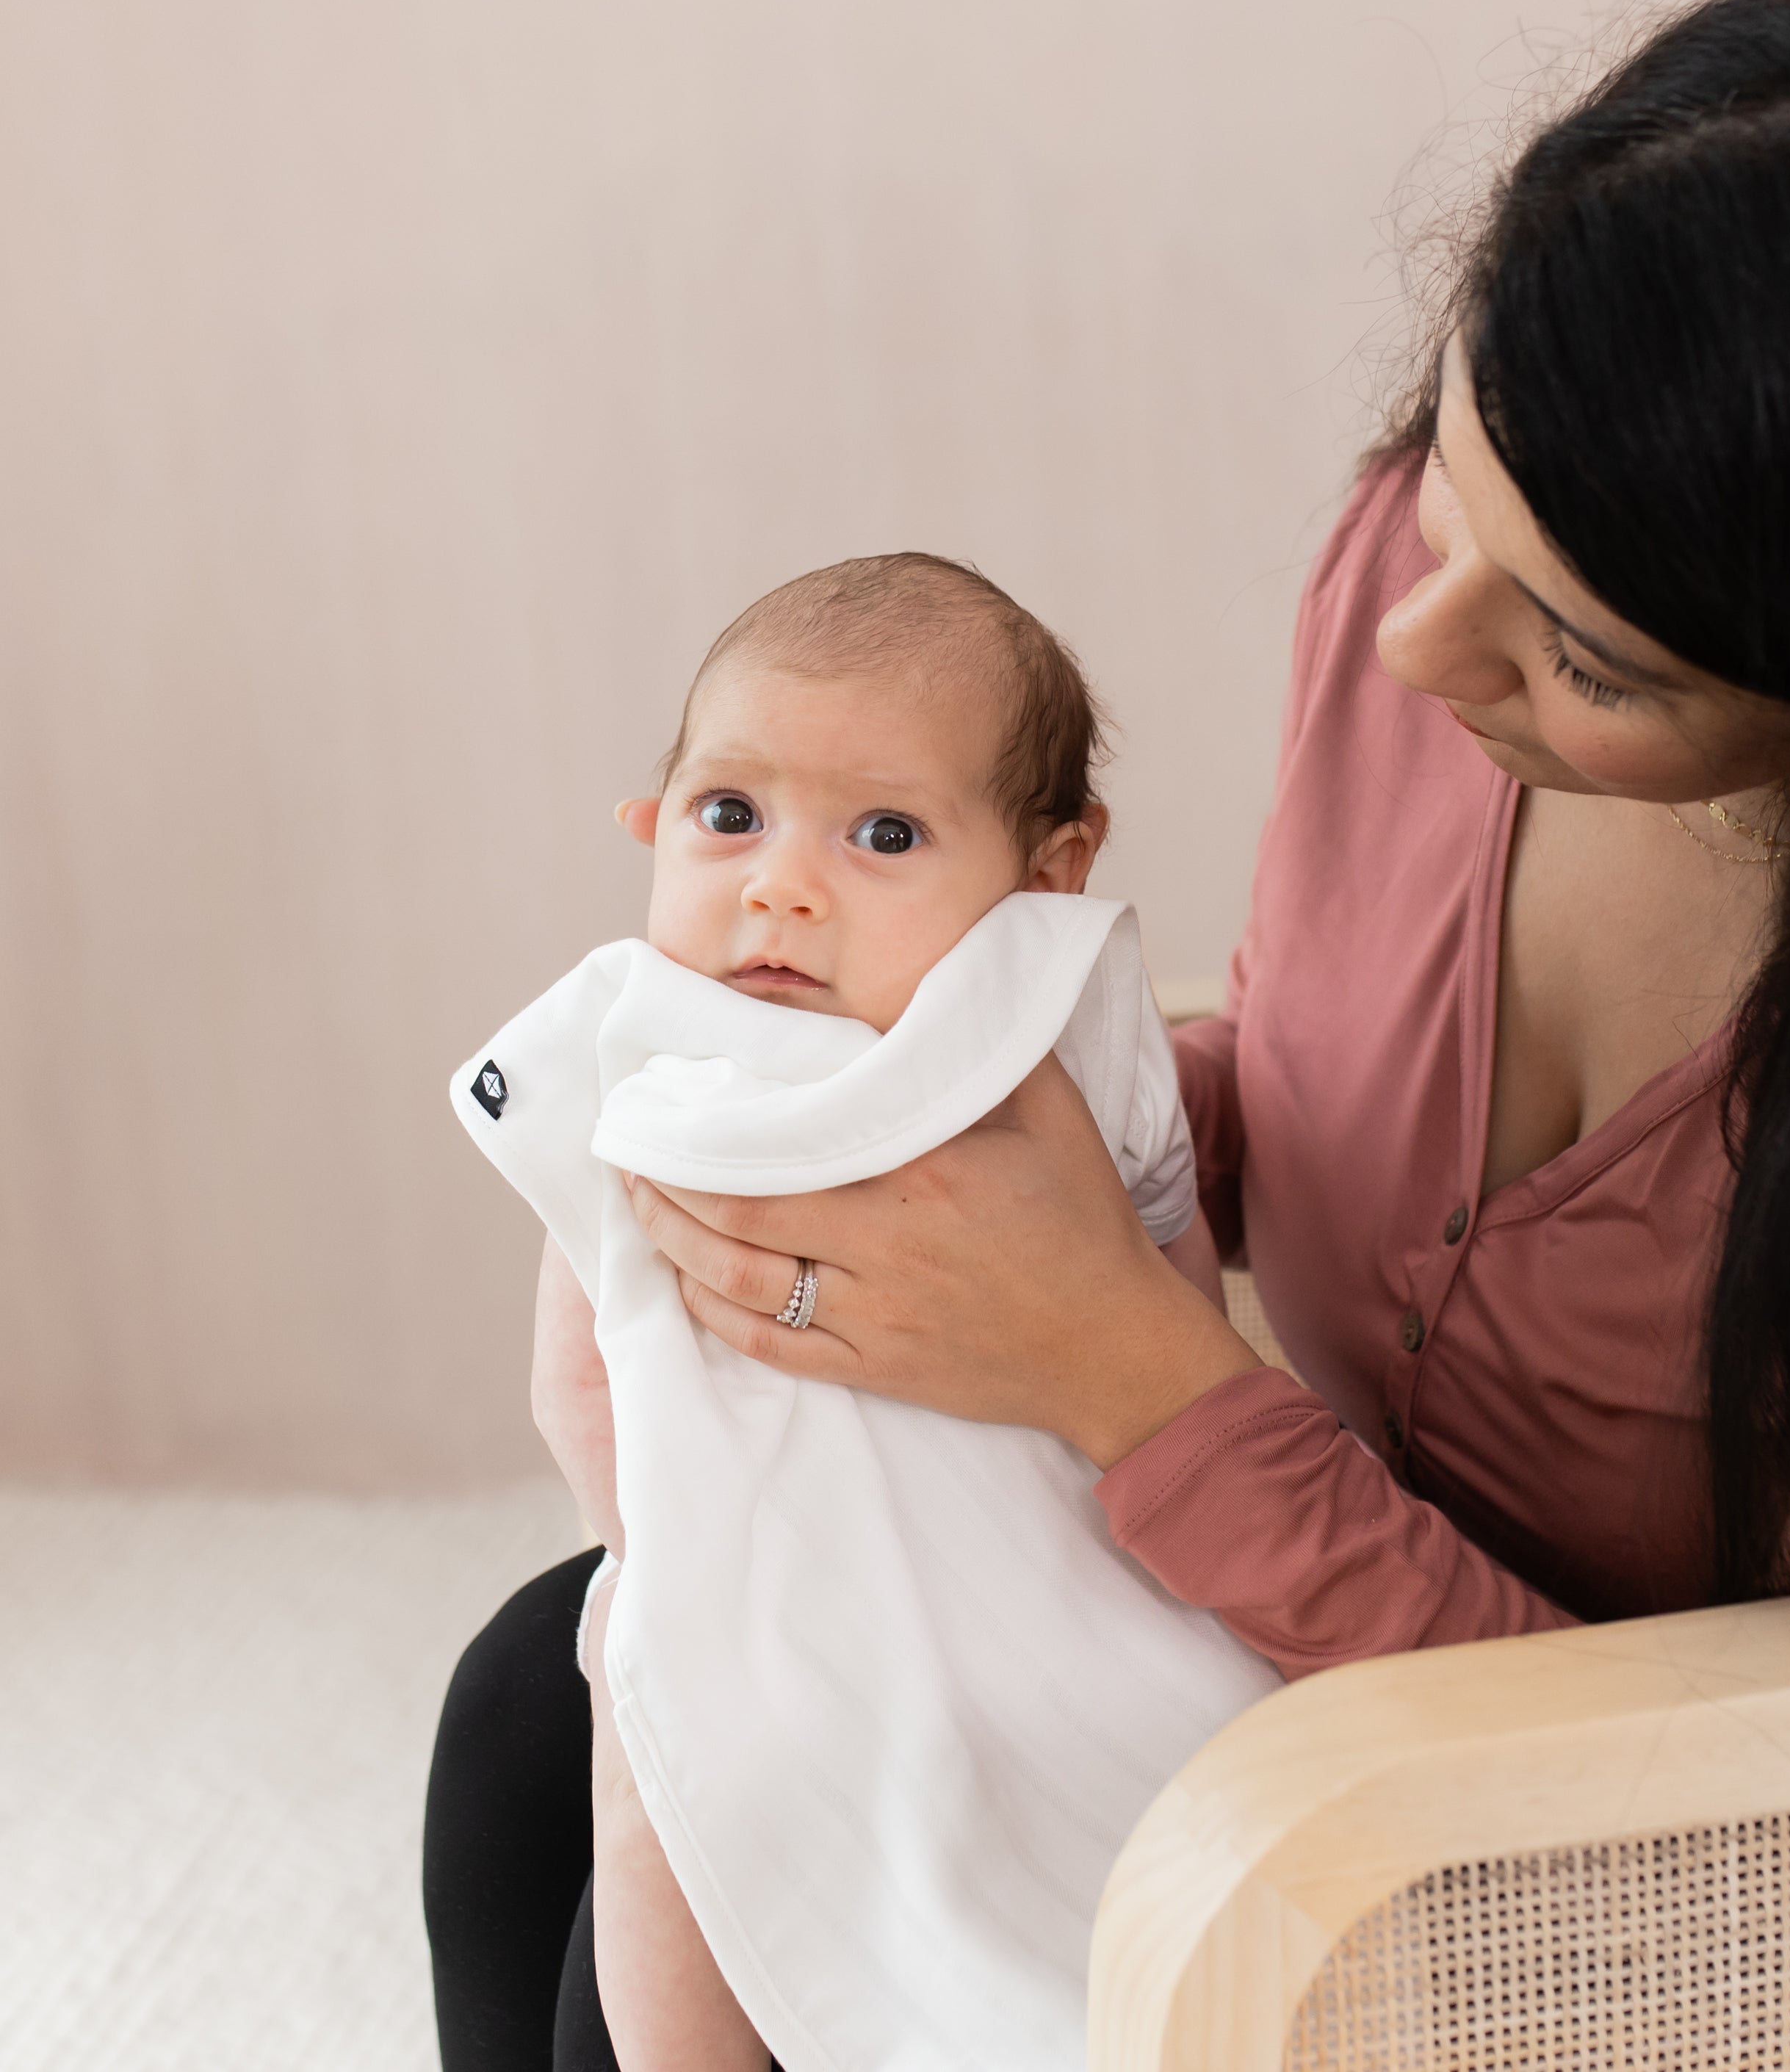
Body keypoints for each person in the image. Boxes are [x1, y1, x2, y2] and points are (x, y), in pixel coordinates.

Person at [426, 0, 1790, 2071]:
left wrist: (1131, 1375)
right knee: (553, 1719)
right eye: (1456, 494)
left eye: (1588, 656)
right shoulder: (1426, 585)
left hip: (1691, 1870)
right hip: (1250, 1608)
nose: (1415, 646)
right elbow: (1314, 1051)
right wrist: (981, 1135)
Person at [448, 551, 1254, 2072]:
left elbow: (1175, 1313)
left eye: (885, 833)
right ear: (651, 827)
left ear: (1048, 871)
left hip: (1048, 1583)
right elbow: (581, 1368)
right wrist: (665, 1557)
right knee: (660, 1746)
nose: (781, 884)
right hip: (735, 1579)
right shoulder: (647, 1043)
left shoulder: (1066, 1021)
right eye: (729, 817)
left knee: (1120, 1794)